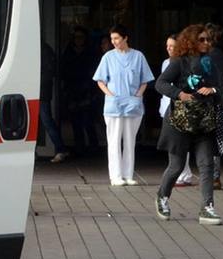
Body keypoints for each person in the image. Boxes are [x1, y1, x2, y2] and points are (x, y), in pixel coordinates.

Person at [154, 24, 223, 225]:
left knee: (206, 165)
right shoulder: (179, 62)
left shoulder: (210, 63)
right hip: (180, 121)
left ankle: (207, 207)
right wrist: (180, 94)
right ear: (191, 41)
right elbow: (161, 83)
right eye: (201, 39)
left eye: (207, 39)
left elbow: (221, 88)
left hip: (204, 121)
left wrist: (213, 91)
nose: (206, 43)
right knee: (175, 166)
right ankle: (162, 196)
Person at [93, 24, 154, 186]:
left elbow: (145, 80)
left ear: (125, 38)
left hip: (132, 104)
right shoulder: (108, 57)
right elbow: (100, 80)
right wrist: (110, 95)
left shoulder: (138, 56)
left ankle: (128, 174)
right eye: (112, 39)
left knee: (129, 140)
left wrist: (138, 95)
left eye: (116, 38)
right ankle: (115, 176)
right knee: (113, 140)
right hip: (114, 105)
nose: (113, 42)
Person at [159, 34, 196, 187]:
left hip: (183, 106)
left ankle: (184, 175)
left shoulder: (186, 63)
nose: (169, 48)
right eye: (167, 45)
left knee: (182, 142)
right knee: (173, 143)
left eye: (172, 45)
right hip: (168, 106)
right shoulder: (166, 62)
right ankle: (180, 173)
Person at [57, 25, 99, 162]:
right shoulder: (69, 52)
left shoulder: (91, 53)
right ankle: (80, 149)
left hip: (87, 92)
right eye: (76, 37)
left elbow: (95, 71)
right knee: (76, 123)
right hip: (73, 92)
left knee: (88, 121)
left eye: (81, 37)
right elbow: (63, 70)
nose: (78, 40)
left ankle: (94, 148)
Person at [205, 23, 223, 190]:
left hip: (215, 102)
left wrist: (218, 96)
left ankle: (214, 177)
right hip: (217, 100)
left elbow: (220, 79)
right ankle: (212, 176)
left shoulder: (215, 55)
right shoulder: (218, 54)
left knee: (212, 140)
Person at [39, 40, 67, 161]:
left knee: (46, 121)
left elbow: (49, 71)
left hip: (40, 92)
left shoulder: (43, 49)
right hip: (38, 91)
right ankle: (60, 149)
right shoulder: (43, 48)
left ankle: (61, 149)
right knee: (43, 122)